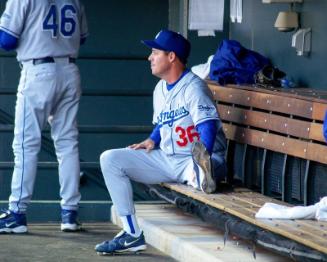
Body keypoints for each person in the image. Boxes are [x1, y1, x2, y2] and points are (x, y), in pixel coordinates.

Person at [95, 29, 227, 255]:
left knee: (202, 169)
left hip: (192, 159)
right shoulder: (160, 89)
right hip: (167, 159)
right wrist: (152, 139)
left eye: (155, 52)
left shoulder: (194, 87)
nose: (150, 57)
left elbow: (208, 125)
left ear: (172, 56)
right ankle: (131, 233)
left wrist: (200, 158)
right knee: (111, 159)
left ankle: (205, 172)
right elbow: (163, 121)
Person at [0, 0, 88, 233]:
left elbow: (6, 41)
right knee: (67, 143)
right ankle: (69, 214)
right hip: (69, 70)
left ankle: (17, 214)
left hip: (38, 71)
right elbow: (82, 38)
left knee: (26, 145)